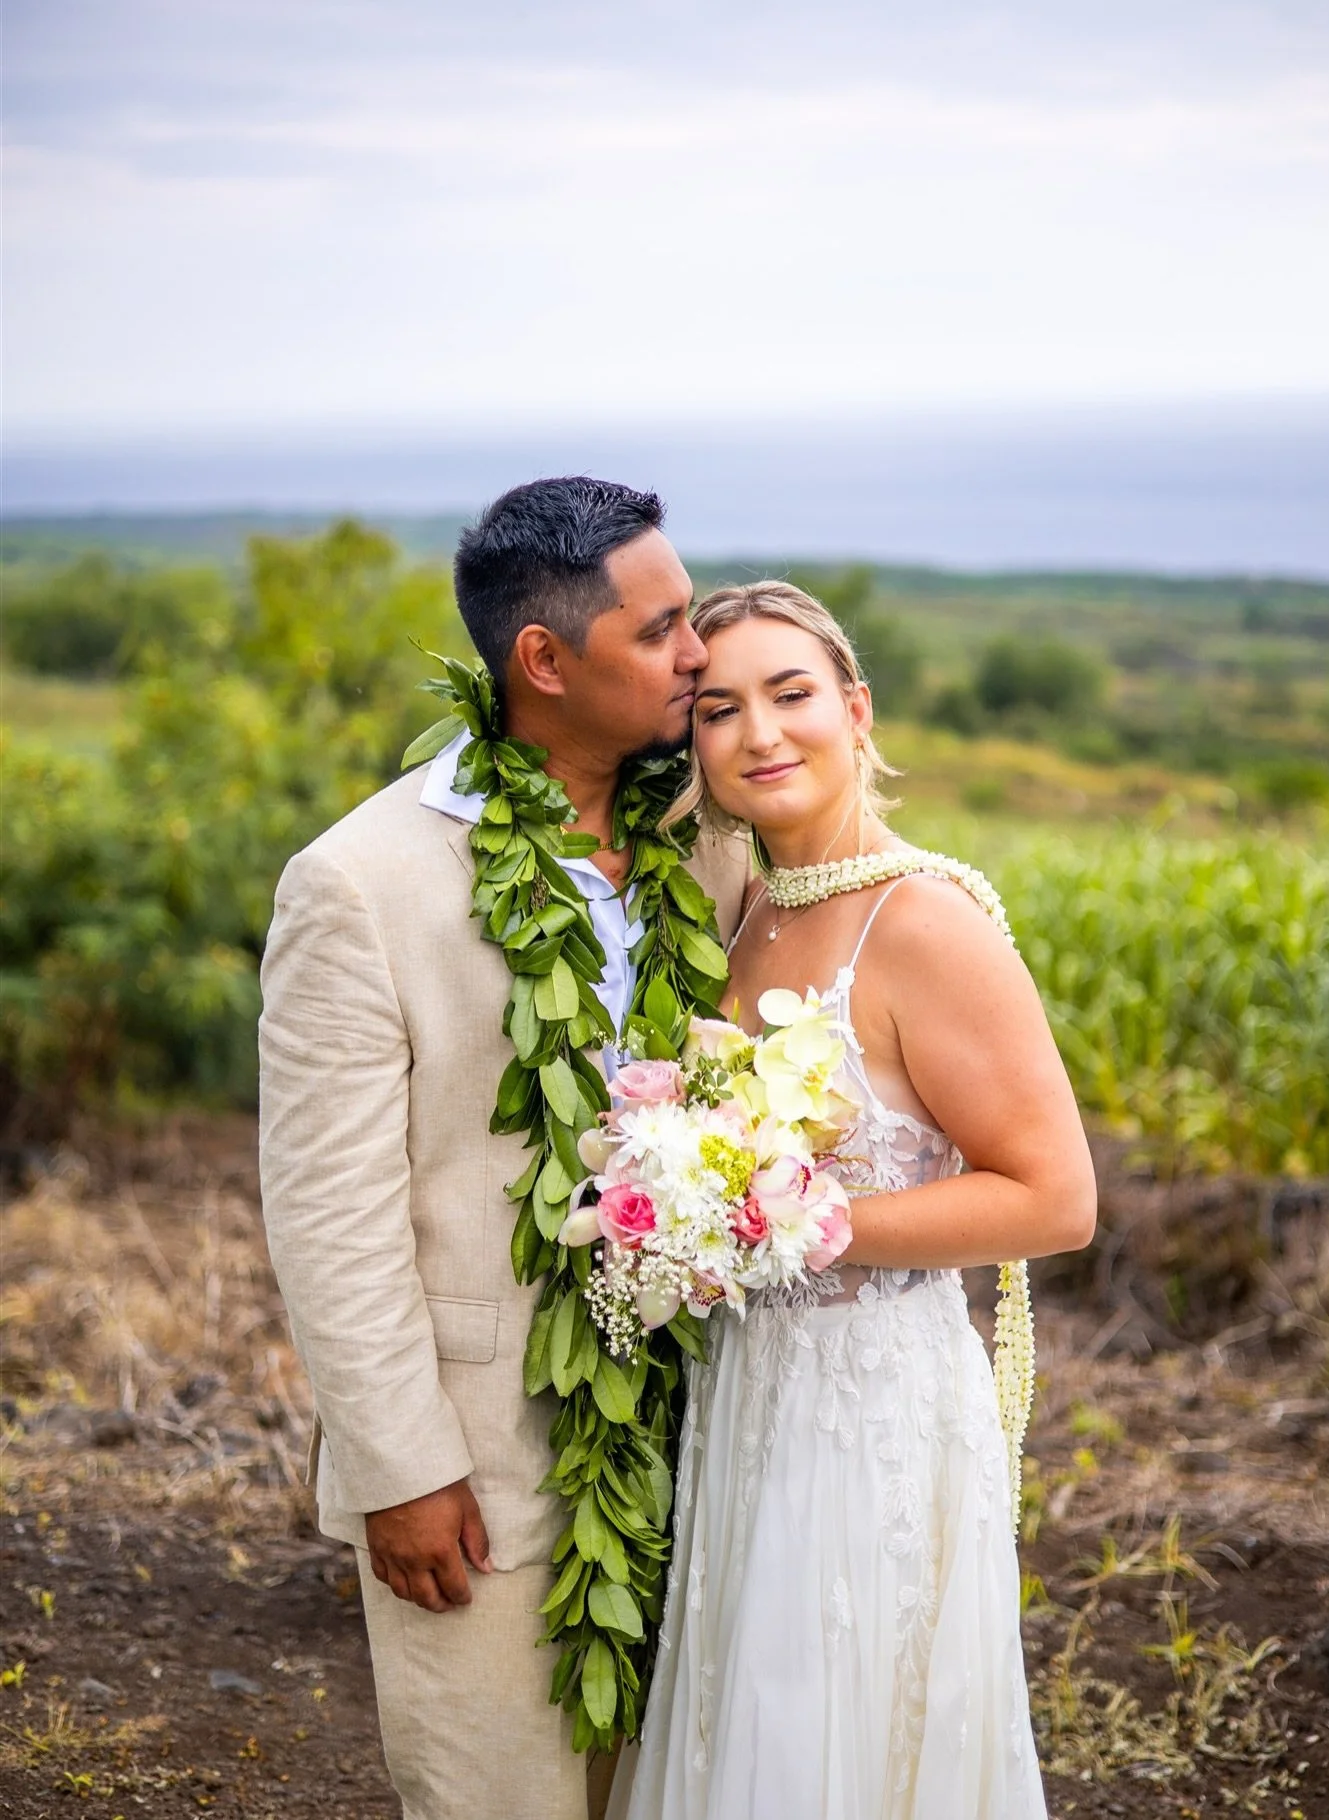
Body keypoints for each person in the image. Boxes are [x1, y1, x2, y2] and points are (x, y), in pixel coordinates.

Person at [257, 479, 750, 1820]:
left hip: (702, 1432)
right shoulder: (360, 884)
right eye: (658, 632)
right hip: (479, 1459)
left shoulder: (704, 840)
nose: (695, 654)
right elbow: (328, 1213)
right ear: (544, 659)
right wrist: (399, 1468)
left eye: (690, 617)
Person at [610, 582, 1096, 1820]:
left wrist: (799, 1223)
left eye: (791, 695)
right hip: (752, 1389)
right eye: (718, 709)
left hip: (872, 1397)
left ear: (857, 710)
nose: (760, 734)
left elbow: (1054, 1197)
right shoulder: (753, 909)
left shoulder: (923, 918)